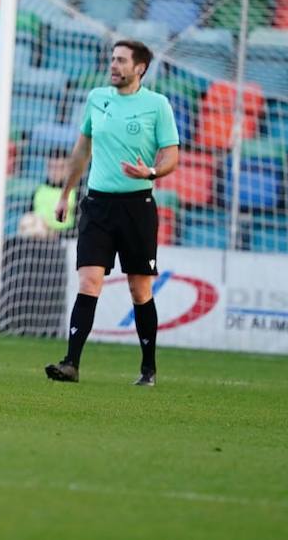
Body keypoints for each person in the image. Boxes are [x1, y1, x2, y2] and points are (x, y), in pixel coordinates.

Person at [46, 40, 180, 388]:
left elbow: (171, 156)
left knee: (139, 290)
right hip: (97, 205)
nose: (114, 65)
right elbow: (81, 152)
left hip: (137, 207)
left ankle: (148, 369)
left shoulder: (157, 105)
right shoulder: (96, 98)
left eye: (121, 61)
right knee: (89, 281)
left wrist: (150, 172)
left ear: (140, 68)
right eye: (112, 59)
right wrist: (66, 194)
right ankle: (71, 363)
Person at [19, 156, 77, 238]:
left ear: (67, 168)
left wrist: (53, 233)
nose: (55, 172)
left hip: (63, 241)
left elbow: (79, 227)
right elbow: (28, 214)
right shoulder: (38, 191)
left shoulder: (75, 193)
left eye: (60, 167)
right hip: (38, 239)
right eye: (52, 167)